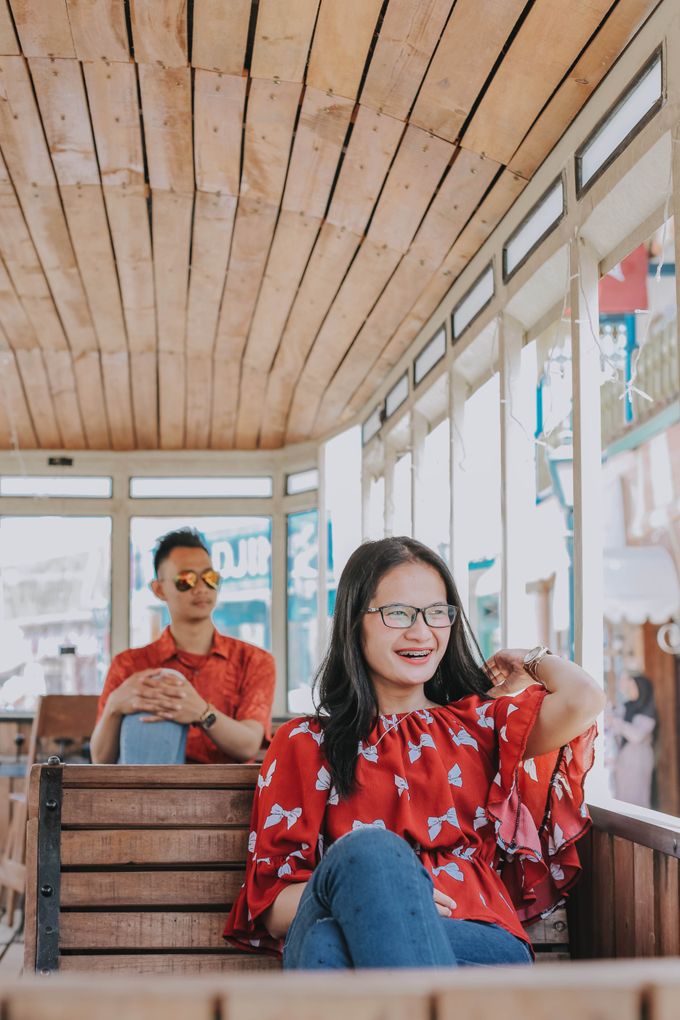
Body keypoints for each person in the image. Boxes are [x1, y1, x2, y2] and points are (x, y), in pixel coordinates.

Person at [224, 536, 604, 970]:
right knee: (369, 855)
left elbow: (584, 698)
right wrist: (387, 895)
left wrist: (529, 660)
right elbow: (273, 908)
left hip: (473, 940)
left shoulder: (479, 726)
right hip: (360, 932)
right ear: (354, 621)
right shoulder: (306, 743)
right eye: (398, 613)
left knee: (328, 943)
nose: (421, 632)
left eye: (436, 613)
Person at [91, 528, 276, 765]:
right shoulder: (128, 665)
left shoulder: (254, 660)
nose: (200, 588)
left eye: (209, 578)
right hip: (150, 793)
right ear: (159, 589)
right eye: (186, 580)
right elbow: (100, 760)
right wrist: (114, 707)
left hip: (226, 797)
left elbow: (249, 746)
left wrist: (202, 712)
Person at [611, 671, 657, 808]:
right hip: (625, 758)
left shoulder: (648, 711)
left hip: (639, 759)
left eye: (632, 687)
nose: (629, 690)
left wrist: (617, 723)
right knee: (623, 795)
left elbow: (636, 736)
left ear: (641, 689)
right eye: (628, 687)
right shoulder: (627, 707)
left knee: (638, 797)